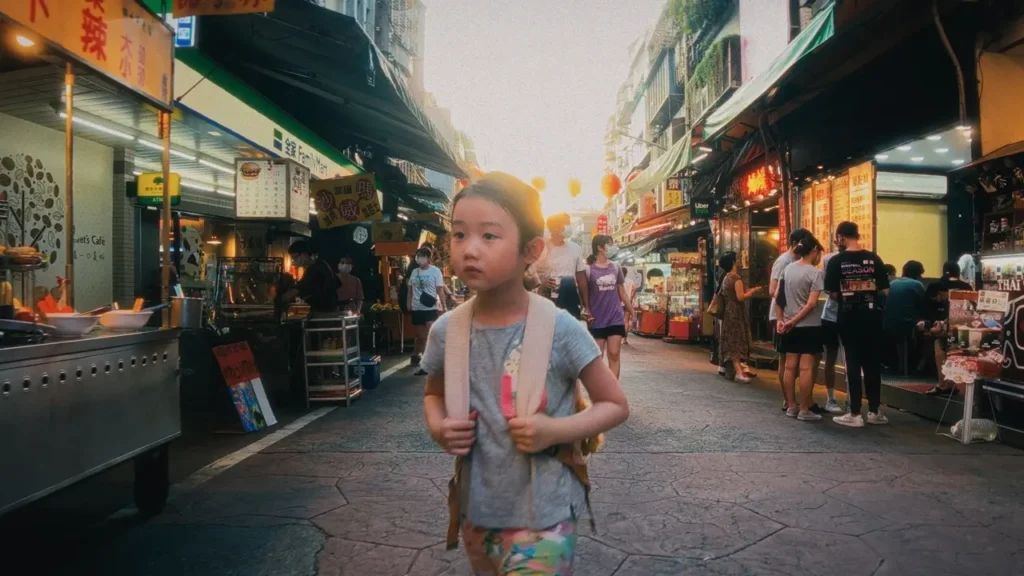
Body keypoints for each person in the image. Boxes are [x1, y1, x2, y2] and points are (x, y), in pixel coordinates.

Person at [421, 172, 628, 574]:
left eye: (489, 236)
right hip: (477, 511)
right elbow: (433, 393)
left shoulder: (561, 328)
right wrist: (439, 427)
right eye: (459, 234)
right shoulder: (448, 330)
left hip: (544, 519)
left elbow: (615, 404)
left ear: (531, 250)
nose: (469, 249)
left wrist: (555, 430)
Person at [824, 221, 890, 428]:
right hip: (872, 318)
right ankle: (874, 411)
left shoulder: (837, 261)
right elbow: (885, 291)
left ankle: (854, 413)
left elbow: (832, 294)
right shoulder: (874, 259)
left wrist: (848, 293)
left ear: (841, 237)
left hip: (848, 318)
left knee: (852, 363)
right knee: (872, 364)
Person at [775, 235, 826, 421]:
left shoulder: (788, 269)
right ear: (814, 251)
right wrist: (794, 321)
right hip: (809, 327)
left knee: (789, 367)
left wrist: (782, 320)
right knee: (806, 369)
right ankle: (804, 410)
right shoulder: (815, 273)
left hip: (789, 325)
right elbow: (811, 304)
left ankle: (790, 406)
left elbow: (779, 298)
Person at [769, 229, 812, 405]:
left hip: (793, 315)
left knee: (790, 360)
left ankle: (794, 401)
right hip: (782, 314)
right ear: (794, 244)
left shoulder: (798, 261)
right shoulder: (784, 261)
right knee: (785, 359)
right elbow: (773, 290)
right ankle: (788, 400)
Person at [584, 235, 634, 379]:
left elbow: (622, 293)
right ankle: (601, 389)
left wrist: (631, 311)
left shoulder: (616, 267)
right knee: (597, 358)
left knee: (614, 354)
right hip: (597, 319)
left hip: (615, 317)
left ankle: (613, 391)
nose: (613, 247)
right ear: (600, 247)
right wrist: (586, 312)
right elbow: (585, 295)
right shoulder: (589, 271)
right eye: (610, 244)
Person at [526, 213, 588, 319]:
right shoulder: (541, 248)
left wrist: (587, 306)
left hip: (569, 301)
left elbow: (581, 279)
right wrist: (542, 281)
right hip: (545, 303)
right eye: (567, 224)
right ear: (555, 228)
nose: (570, 227)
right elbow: (526, 276)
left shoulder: (575, 248)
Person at [719, 252, 762, 382]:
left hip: (728, 311)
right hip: (736, 312)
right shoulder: (736, 278)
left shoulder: (726, 277)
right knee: (737, 341)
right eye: (736, 260)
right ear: (733, 262)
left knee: (731, 340)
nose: (737, 262)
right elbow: (740, 297)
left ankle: (737, 369)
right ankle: (739, 371)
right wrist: (752, 292)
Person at [882, 261, 926, 372]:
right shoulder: (917, 285)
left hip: (888, 323)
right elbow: (923, 306)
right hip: (907, 324)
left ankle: (897, 365)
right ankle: (917, 367)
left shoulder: (892, 284)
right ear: (917, 274)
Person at [409, 246, 446, 375]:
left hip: (430, 307)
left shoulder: (436, 271)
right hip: (417, 307)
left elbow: (440, 290)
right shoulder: (414, 272)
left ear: (429, 258)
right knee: (421, 336)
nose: (419, 258)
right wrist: (409, 303)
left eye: (422, 256)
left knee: (429, 335)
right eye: (418, 256)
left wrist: (444, 306)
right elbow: (410, 289)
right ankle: (418, 357)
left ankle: (426, 365)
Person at [818, 249, 847, 415]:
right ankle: (830, 397)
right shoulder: (829, 258)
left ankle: (851, 398)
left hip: (849, 314)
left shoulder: (859, 259)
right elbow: (827, 287)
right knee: (831, 355)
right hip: (831, 315)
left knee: (850, 357)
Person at [283, 240, 340, 316]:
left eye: (295, 257)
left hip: (323, 313)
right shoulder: (322, 264)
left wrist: (281, 299)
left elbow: (298, 289)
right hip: (330, 309)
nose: (294, 261)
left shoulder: (314, 269)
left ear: (304, 254)